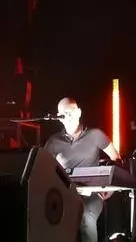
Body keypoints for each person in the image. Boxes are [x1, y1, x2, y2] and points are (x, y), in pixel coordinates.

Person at [44, 97, 121, 242]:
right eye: (65, 113)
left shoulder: (95, 134)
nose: (69, 116)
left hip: (93, 194)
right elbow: (43, 168)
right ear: (59, 117)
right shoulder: (53, 141)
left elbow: (116, 158)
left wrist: (110, 187)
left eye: (72, 111)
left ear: (79, 112)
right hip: (65, 193)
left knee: (86, 217)